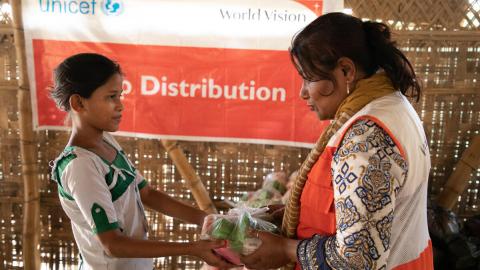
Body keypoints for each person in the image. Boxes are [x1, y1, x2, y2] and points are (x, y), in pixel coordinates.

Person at [240, 12, 433, 270]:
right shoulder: (392, 106)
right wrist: (297, 214)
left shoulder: (367, 138)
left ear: (346, 70)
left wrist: (286, 249)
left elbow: (357, 259)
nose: (303, 92)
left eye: (309, 77)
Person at [49, 53, 235, 270]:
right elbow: (113, 245)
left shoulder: (106, 142)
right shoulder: (80, 165)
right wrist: (192, 248)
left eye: (120, 95)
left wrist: (207, 219)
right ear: (78, 102)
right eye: (111, 97)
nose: (120, 105)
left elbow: (147, 194)